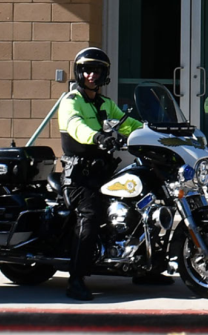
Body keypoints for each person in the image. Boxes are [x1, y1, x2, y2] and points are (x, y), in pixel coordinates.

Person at [56, 47, 151, 300]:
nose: (91, 75)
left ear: (104, 74)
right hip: (79, 175)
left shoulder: (106, 104)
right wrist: (98, 136)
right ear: (79, 72)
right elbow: (76, 126)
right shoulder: (70, 101)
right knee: (90, 213)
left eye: (96, 70)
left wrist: (153, 133)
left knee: (142, 204)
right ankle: (75, 279)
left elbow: (128, 123)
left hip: (103, 172)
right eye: (86, 70)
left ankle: (147, 268)